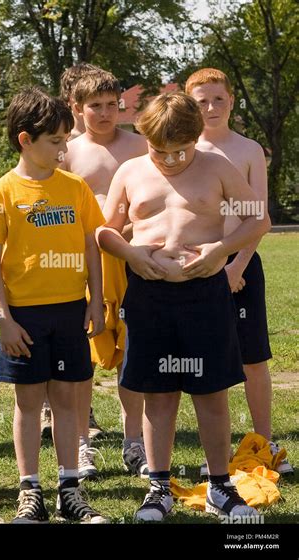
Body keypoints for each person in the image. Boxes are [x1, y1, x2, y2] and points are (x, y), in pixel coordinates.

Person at [98, 92, 271, 521]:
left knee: (211, 393)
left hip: (205, 296)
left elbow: (258, 218)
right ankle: (159, 487)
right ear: (144, 136)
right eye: (161, 151)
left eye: (182, 150)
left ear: (196, 138)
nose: (172, 160)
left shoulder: (217, 167)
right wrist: (133, 255)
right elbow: (105, 231)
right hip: (149, 298)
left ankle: (219, 487)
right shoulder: (130, 171)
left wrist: (220, 251)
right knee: (159, 395)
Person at [0, 87, 109, 523]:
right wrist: (3, 320)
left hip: (71, 310)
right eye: (55, 141)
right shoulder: (1, 193)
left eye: (66, 140)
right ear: (25, 140)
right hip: (23, 319)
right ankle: (30, 493)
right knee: (29, 405)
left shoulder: (76, 188)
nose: (63, 149)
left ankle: (71, 491)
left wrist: (96, 301)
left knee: (68, 403)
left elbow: (91, 247)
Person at [185, 67, 293, 476]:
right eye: (201, 101)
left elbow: (256, 214)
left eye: (218, 99)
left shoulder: (248, 151)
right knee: (206, 362)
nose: (211, 108)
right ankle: (217, 450)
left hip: (242, 268)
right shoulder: (183, 148)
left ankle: (262, 443)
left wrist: (237, 266)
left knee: (252, 360)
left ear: (231, 101)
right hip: (198, 269)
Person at [63, 68, 148, 480]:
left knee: (132, 356)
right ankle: (81, 444)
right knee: (84, 357)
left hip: (134, 262)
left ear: (122, 106)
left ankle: (135, 443)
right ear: (78, 109)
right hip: (83, 267)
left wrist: (127, 231)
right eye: (94, 106)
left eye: (111, 105)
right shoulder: (66, 151)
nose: (104, 113)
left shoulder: (140, 146)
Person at [40, 61, 101, 441]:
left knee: (93, 339)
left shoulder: (119, 143)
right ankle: (58, 412)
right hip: (60, 257)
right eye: (85, 96)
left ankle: (86, 415)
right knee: (61, 334)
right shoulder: (61, 150)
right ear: (72, 100)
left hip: (109, 249)